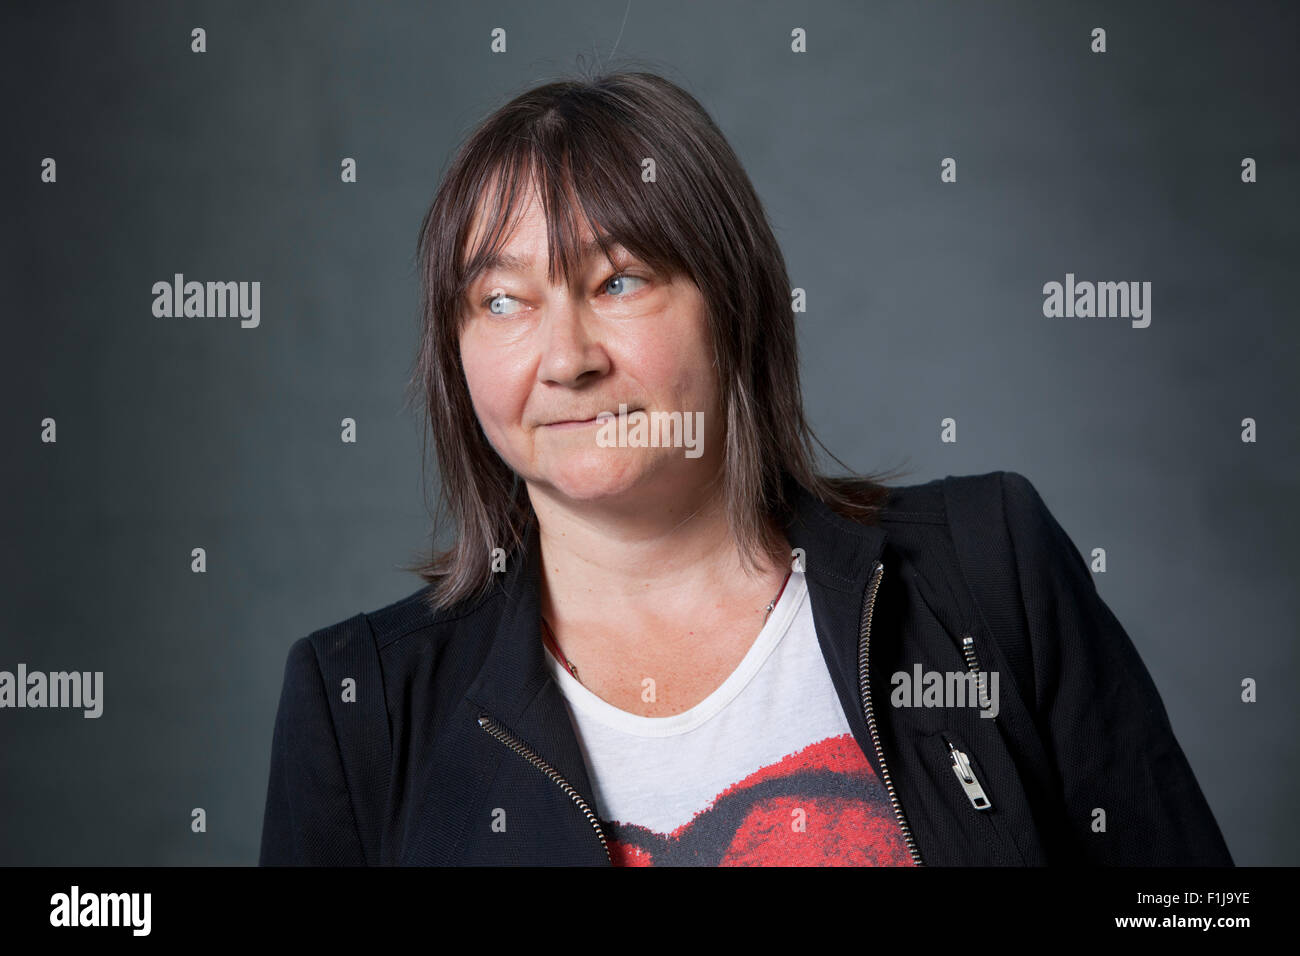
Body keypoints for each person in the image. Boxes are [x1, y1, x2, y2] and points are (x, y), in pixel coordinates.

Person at [258, 69, 1232, 866]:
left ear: (732, 302)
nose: (566, 357)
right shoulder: (362, 707)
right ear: (456, 350)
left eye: (619, 280)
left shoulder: (988, 574)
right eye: (503, 301)